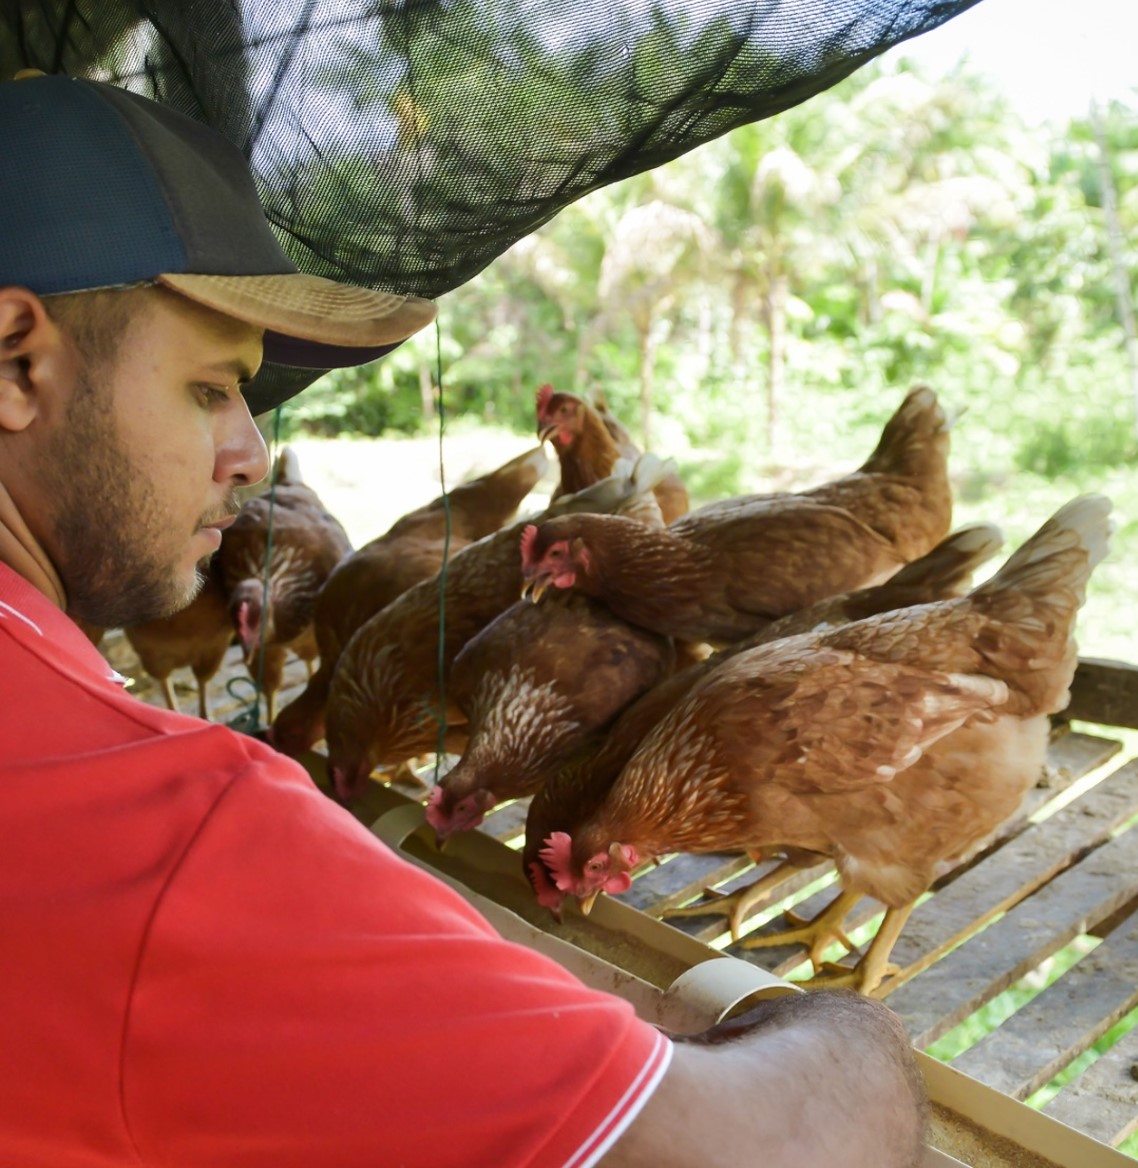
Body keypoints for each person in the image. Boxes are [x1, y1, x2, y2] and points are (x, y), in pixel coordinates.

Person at [0, 72, 927, 1167]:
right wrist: (836, 1022)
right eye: (210, 386)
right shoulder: (160, 824)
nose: (249, 452)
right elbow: (783, 1150)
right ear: (16, 358)